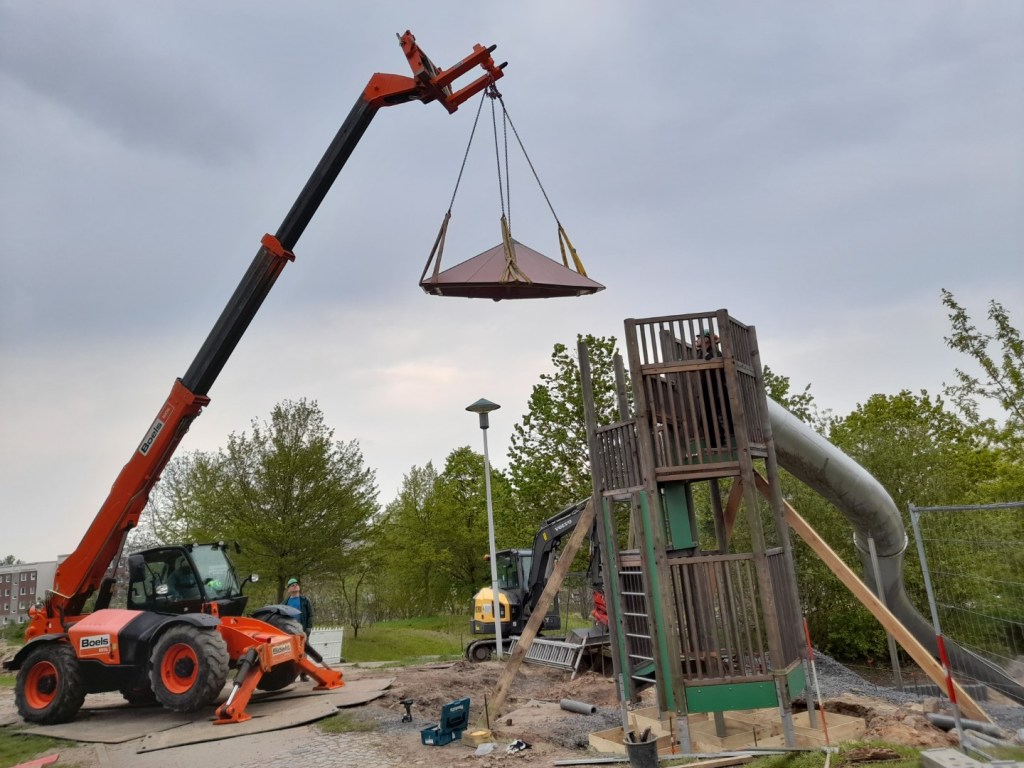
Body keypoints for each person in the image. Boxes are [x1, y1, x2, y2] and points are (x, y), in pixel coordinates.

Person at [285, 577, 314, 680]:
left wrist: (309, 627)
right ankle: (291, 676)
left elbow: (310, 615)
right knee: (291, 653)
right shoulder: (285, 603)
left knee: (304, 652)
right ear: (289, 589)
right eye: (292, 584)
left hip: (303, 631)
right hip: (290, 632)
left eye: (296, 584)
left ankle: (303, 674)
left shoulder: (305, 601)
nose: (295, 585)